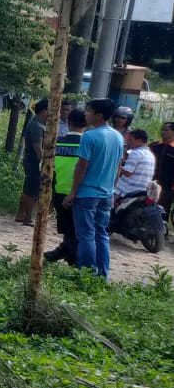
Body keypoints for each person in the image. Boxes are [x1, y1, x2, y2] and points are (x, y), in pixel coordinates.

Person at [65, 98, 124, 278]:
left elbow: (81, 166)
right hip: (106, 193)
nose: (85, 114)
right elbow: (118, 166)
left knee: (86, 235)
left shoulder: (89, 136)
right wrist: (112, 189)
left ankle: (86, 275)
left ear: (98, 115)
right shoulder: (118, 136)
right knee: (101, 235)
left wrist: (73, 192)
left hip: (87, 193)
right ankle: (102, 275)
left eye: (88, 111)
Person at [44, 109, 88, 264]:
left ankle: (60, 253)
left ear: (68, 123)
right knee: (79, 232)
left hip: (60, 191)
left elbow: (45, 168)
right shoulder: (88, 144)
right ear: (87, 123)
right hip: (83, 193)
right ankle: (71, 260)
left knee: (68, 229)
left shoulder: (57, 142)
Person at [17, 99, 48, 225]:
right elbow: (38, 147)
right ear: (45, 111)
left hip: (31, 160)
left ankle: (21, 214)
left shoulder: (38, 124)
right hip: (34, 162)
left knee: (27, 189)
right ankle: (28, 217)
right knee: (33, 191)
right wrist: (44, 164)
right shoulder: (37, 126)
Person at [117, 128, 155, 202]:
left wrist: (117, 166)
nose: (128, 142)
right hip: (141, 191)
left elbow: (127, 173)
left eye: (130, 140)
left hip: (126, 191)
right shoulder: (150, 154)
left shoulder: (135, 153)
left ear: (139, 141)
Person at [152, 122, 174, 211]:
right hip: (152, 184)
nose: (162, 132)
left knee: (163, 211)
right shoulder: (154, 145)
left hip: (168, 188)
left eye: (166, 130)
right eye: (162, 129)